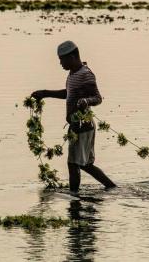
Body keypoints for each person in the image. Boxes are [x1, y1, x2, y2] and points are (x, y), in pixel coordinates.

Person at [32, 41, 116, 194]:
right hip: (77, 125)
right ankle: (111, 187)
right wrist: (45, 93)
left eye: (62, 59)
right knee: (85, 165)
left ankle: (74, 197)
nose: (60, 63)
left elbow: (97, 98)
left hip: (83, 125)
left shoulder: (86, 74)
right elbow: (68, 94)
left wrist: (86, 101)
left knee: (74, 164)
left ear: (72, 57)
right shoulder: (73, 74)